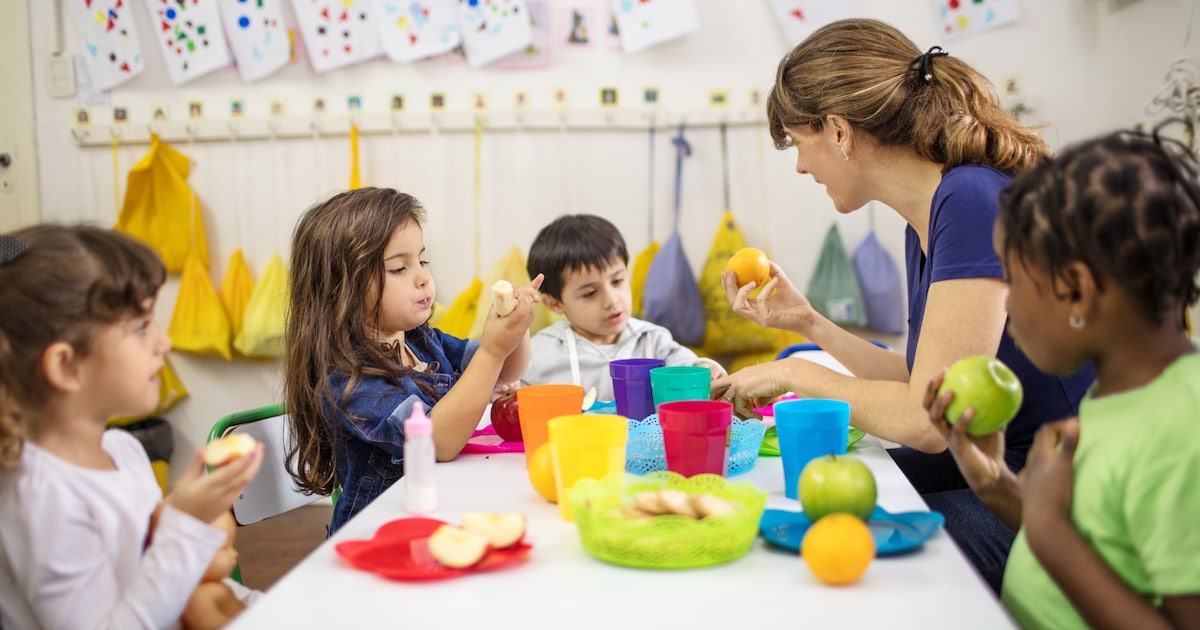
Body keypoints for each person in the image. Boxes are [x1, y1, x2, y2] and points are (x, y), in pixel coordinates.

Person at [709, 18, 1094, 593]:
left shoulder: (969, 200)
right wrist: (809, 323)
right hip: (1002, 464)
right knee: (799, 510)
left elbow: (926, 422)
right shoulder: (933, 212)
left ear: (838, 131)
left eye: (799, 142)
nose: (800, 166)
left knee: (821, 551)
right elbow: (928, 380)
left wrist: (793, 371)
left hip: (1057, 499)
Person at [925, 125, 1200, 629]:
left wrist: (1049, 528)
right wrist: (996, 485)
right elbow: (1102, 549)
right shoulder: (1118, 393)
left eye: (1013, 280)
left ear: (1075, 290)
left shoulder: (1183, 430)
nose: (1006, 305)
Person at [0, 224, 263, 629]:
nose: (164, 343)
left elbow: (164, 585)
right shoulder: (42, 497)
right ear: (66, 366)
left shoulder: (123, 450)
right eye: (141, 327)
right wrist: (187, 522)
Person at [284, 188, 541, 534]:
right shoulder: (349, 381)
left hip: (437, 513)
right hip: (377, 535)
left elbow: (509, 369)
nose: (422, 277)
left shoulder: (421, 341)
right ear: (341, 289)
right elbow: (439, 441)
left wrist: (516, 324)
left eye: (422, 261)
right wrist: (494, 350)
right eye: (399, 268)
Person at [521, 214, 725, 403]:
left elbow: (690, 368)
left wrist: (707, 369)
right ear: (554, 303)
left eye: (617, 281)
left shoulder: (652, 340)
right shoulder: (540, 352)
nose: (612, 300)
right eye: (590, 293)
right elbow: (513, 399)